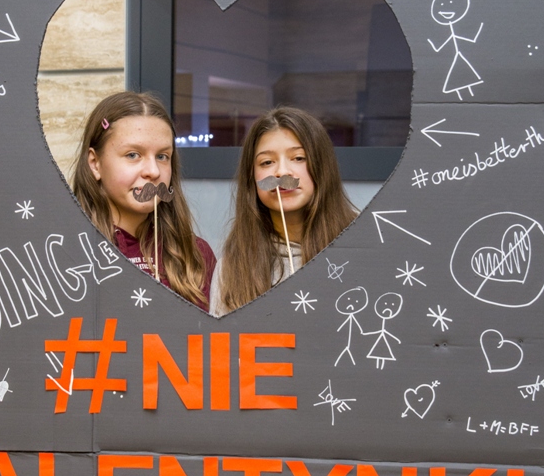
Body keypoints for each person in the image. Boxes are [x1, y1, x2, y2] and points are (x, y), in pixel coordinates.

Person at [73, 91, 216, 310]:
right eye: (133, 155)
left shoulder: (196, 254)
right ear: (95, 163)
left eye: (162, 156)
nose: (153, 171)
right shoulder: (69, 252)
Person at [211, 106, 357, 315]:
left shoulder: (361, 245)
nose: (281, 171)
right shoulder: (233, 268)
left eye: (298, 158)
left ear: (322, 165)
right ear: (252, 178)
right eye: (267, 162)